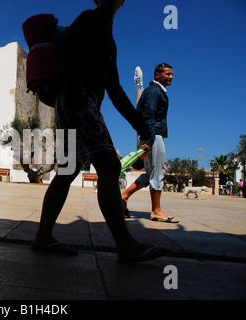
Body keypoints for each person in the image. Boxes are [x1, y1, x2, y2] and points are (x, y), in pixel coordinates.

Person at [31, 0, 171, 263]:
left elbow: (115, 88)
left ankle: (43, 235)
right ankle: (126, 245)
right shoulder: (89, 20)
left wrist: (138, 123)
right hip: (78, 102)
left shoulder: (108, 36)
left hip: (79, 103)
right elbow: (72, 60)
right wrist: (73, 106)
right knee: (108, 165)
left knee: (68, 170)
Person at [121, 63, 179, 223]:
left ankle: (124, 196)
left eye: (172, 74)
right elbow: (149, 116)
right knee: (157, 173)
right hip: (153, 135)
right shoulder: (155, 91)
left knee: (150, 174)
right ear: (157, 75)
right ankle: (156, 211)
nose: (171, 77)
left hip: (148, 135)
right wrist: (151, 140)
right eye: (167, 74)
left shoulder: (154, 91)